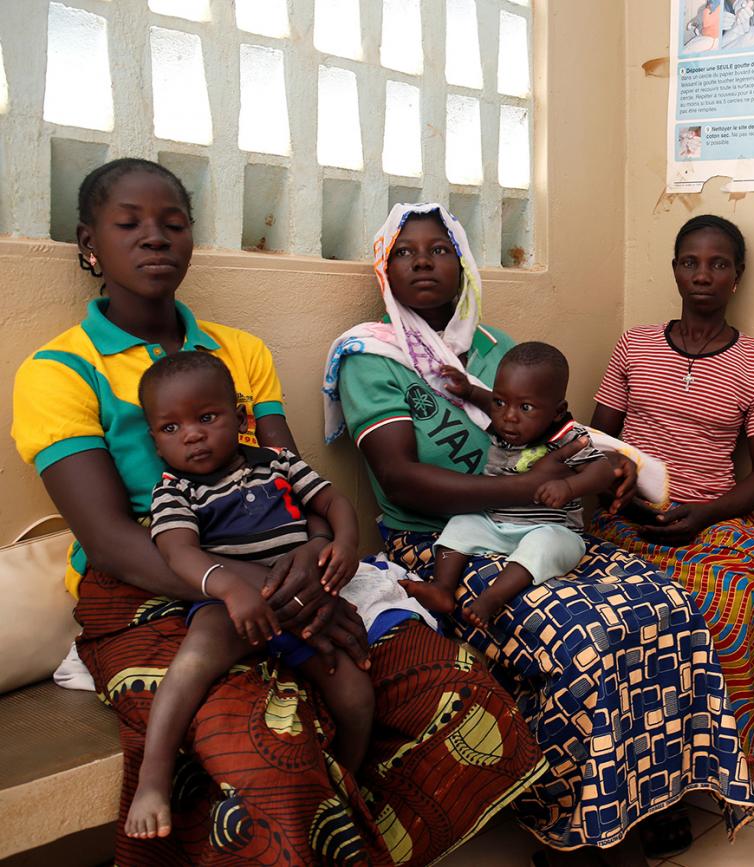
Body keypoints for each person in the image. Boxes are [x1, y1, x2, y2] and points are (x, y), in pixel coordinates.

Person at [11, 159, 546, 865]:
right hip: (154, 587)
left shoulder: (238, 353)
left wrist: (319, 563)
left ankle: (368, 845)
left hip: (284, 568)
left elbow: (290, 481)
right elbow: (110, 540)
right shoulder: (59, 370)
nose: (155, 239)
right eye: (129, 224)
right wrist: (258, 591)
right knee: (266, 743)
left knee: (453, 684)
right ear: (88, 243)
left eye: (173, 224)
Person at [323, 202, 754, 865]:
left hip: (535, 524)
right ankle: (573, 832)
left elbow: (561, 436)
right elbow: (403, 481)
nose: (422, 262)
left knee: (665, 602)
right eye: (404, 252)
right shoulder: (370, 357)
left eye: (438, 249)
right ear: (385, 268)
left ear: (463, 264)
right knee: (578, 634)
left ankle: (646, 802)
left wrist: (605, 474)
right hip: (439, 541)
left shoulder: (496, 347)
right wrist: (527, 489)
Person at [126, 351, 372, 839]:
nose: (192, 434)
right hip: (230, 606)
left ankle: (349, 776)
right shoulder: (175, 492)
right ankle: (152, 778)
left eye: (207, 418)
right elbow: (178, 552)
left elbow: (332, 501)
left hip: (304, 599)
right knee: (192, 662)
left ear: (241, 420)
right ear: (155, 442)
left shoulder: (277, 464)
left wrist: (344, 543)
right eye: (170, 429)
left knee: (355, 689)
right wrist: (230, 588)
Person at [589, 214, 754, 766]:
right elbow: (595, 441)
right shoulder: (634, 345)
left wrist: (702, 515)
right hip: (625, 520)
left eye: (718, 263)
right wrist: (624, 496)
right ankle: (636, 775)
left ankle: (712, 773)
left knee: (727, 617)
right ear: (675, 270)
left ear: (737, 275)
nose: (703, 274)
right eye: (690, 262)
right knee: (624, 629)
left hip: (711, 525)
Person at [402, 342, 614, 629]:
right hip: (496, 524)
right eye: (501, 403)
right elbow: (489, 400)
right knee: (462, 522)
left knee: (545, 544)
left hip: (552, 529)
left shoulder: (567, 435)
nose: (509, 416)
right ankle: (442, 587)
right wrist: (468, 391)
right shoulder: (506, 422)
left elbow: (603, 471)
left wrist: (569, 487)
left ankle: (492, 599)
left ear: (556, 411)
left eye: (525, 407)